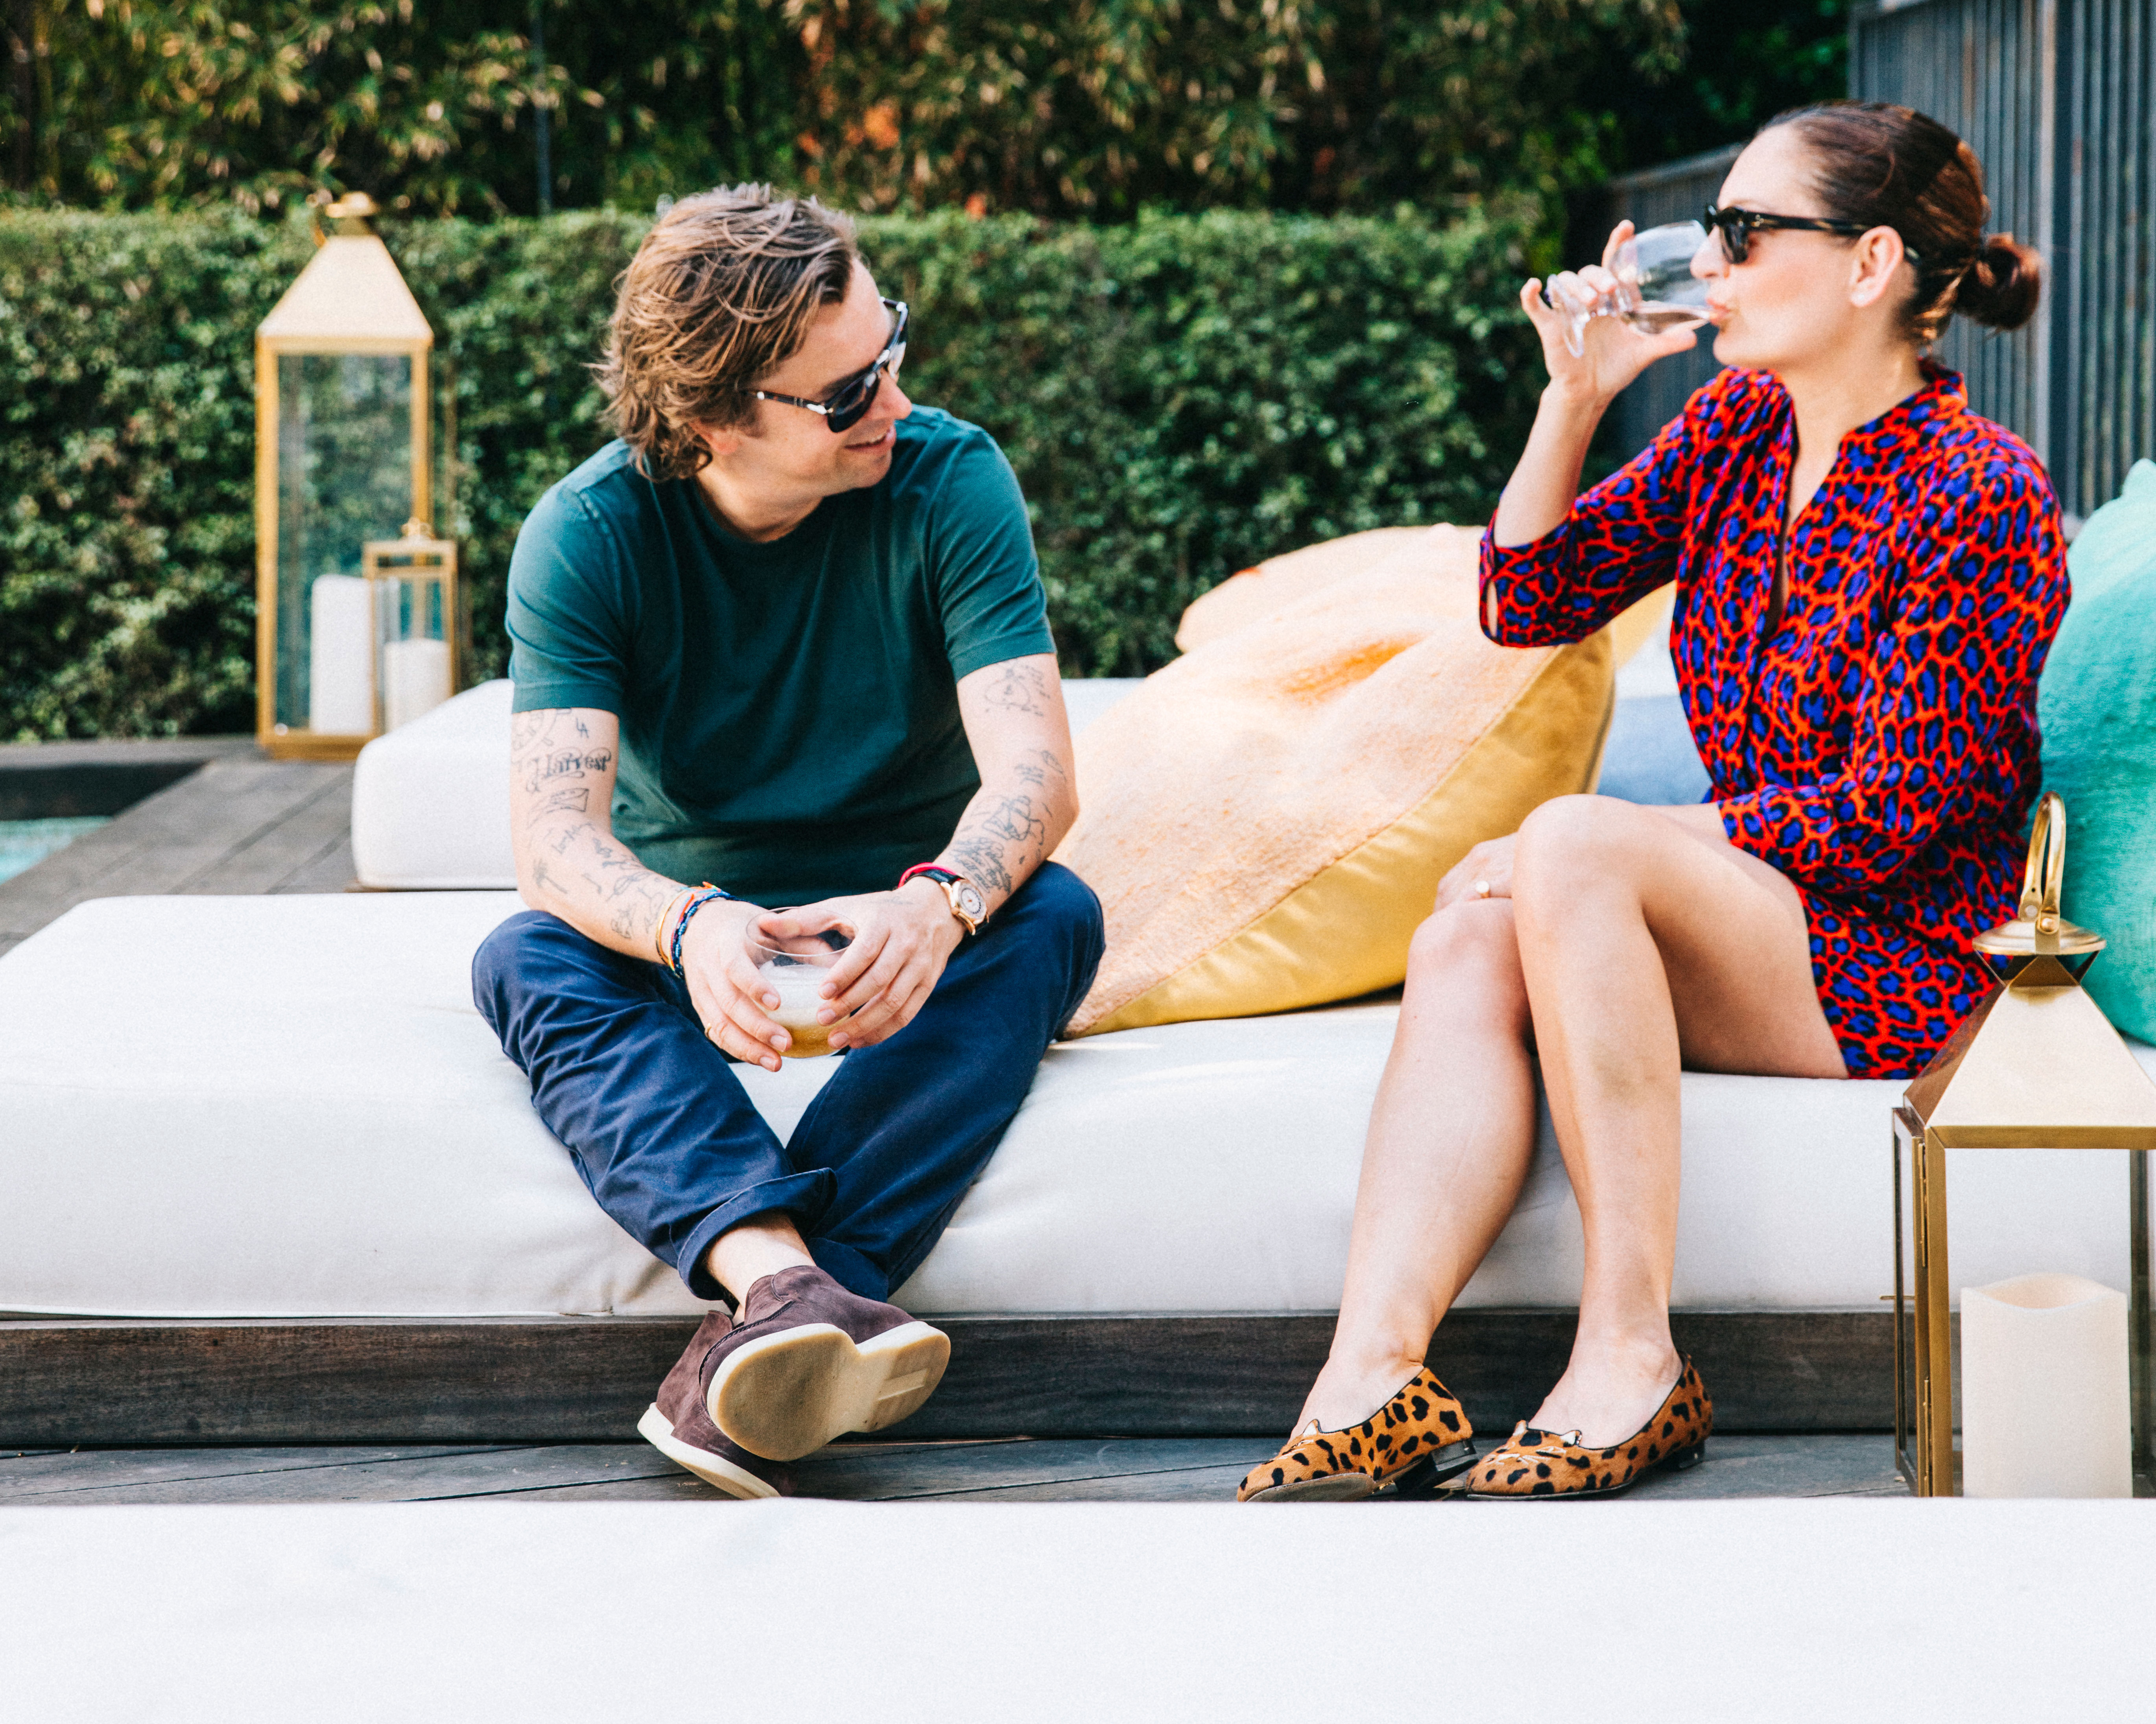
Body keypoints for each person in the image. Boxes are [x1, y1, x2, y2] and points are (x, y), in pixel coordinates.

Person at [1238, 100, 2067, 1505]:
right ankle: (1369, 1377)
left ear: (1870, 265)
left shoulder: (1984, 493)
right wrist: (1571, 396)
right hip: (1758, 920)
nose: (1713, 261)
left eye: (1745, 233)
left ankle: (1630, 1358)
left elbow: (1891, 820)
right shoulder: (1734, 430)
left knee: (1561, 846)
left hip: (1906, 954)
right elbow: (1525, 600)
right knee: (1462, 941)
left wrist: (1590, 845)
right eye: (1715, 232)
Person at [472, 185, 1103, 1500]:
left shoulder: (951, 478)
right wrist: (685, 925)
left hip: (899, 940)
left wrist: (935, 904)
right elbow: (552, 841)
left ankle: (765, 1325)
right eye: (843, 392)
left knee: (1056, 914)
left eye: (892, 350)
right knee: (525, 955)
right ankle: (791, 1290)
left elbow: (1037, 774)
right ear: (712, 421)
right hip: (693, 950)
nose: (891, 399)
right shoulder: (588, 536)